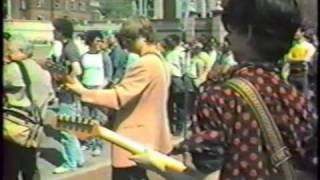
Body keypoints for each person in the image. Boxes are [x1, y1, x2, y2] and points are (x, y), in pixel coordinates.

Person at [130, 0, 318, 179]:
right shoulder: (295, 96)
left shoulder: (221, 96)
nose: (227, 37)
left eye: (232, 29)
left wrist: (156, 164)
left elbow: (208, 176)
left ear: (249, 32)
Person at [65, 17, 173, 180]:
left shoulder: (146, 64)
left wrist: (82, 91)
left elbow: (118, 97)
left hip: (134, 137)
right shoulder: (158, 60)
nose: (125, 45)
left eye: (128, 39)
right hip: (146, 134)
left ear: (142, 38)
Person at [3, 34, 55, 180]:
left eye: (10, 50)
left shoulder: (13, 69)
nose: (7, 53)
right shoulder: (41, 71)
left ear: (22, 52)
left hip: (14, 129)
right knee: (30, 167)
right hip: (34, 128)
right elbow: (50, 97)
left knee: (9, 169)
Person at [50, 18, 85, 174]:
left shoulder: (69, 48)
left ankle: (69, 162)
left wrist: (66, 79)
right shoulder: (67, 46)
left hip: (68, 94)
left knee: (65, 129)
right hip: (69, 94)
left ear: (61, 32)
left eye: (54, 30)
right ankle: (78, 158)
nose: (52, 32)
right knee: (71, 127)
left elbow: (77, 70)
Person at [79, 30, 111, 156]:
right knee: (86, 119)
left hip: (99, 90)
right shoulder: (84, 57)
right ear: (90, 42)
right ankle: (87, 143)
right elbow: (80, 75)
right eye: (97, 40)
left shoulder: (104, 57)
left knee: (97, 119)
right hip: (86, 89)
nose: (100, 43)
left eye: (101, 41)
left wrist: (101, 87)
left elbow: (109, 75)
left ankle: (98, 145)